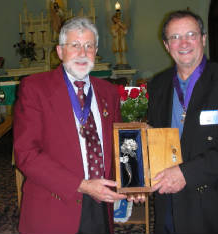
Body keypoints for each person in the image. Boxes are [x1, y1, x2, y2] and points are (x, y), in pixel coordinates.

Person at [13, 17, 142, 234]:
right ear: (60, 51)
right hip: (55, 205)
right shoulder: (35, 89)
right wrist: (81, 185)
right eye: (75, 46)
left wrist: (135, 182)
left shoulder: (108, 92)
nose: (82, 53)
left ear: (96, 51)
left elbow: (121, 145)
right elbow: (26, 154)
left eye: (89, 46)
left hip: (100, 204)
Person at [148, 10, 218, 234]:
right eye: (175, 37)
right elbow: (154, 135)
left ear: (203, 39)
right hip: (168, 199)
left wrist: (186, 173)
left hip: (211, 199)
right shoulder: (158, 84)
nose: (183, 43)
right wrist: (139, 177)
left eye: (190, 34)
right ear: (167, 45)